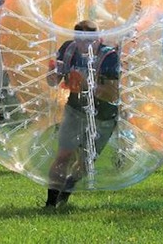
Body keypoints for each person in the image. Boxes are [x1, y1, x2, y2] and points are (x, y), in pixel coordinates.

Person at [44, 20, 119, 208]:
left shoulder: (109, 56)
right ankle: (50, 203)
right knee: (63, 155)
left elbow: (113, 93)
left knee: (86, 161)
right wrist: (52, 77)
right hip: (75, 109)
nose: (82, 45)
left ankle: (68, 186)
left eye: (88, 41)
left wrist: (88, 86)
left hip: (103, 114)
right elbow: (54, 81)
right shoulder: (68, 49)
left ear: (97, 38)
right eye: (79, 39)